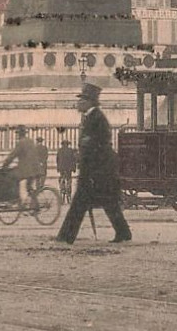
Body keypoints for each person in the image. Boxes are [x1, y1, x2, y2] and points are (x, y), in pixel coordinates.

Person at [56, 84, 132, 245]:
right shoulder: (92, 117)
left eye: (81, 100)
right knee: (108, 203)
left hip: (98, 171)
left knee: (80, 203)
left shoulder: (97, 119)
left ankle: (66, 236)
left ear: (89, 102)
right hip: (98, 171)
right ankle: (123, 232)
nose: (78, 103)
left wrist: (89, 171)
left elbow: (98, 147)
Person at [2, 125, 41, 209]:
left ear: (19, 134)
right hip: (35, 168)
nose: (16, 135)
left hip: (27, 169)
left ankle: (18, 201)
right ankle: (35, 206)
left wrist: (4, 165)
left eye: (17, 134)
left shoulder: (21, 142)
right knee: (29, 187)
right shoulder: (30, 141)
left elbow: (12, 155)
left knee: (13, 178)